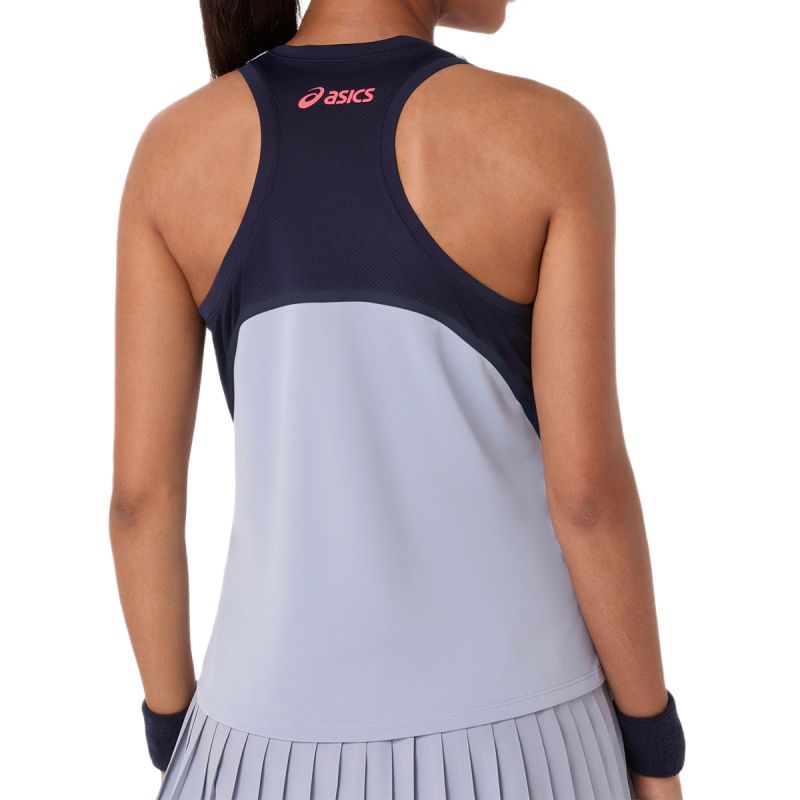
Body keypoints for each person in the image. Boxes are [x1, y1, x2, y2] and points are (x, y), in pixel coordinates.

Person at [109, 1, 686, 797]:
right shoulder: (545, 137)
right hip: (528, 739)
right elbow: (587, 500)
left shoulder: (177, 149)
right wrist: (654, 747)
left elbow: (139, 505)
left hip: (256, 746)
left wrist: (177, 739)